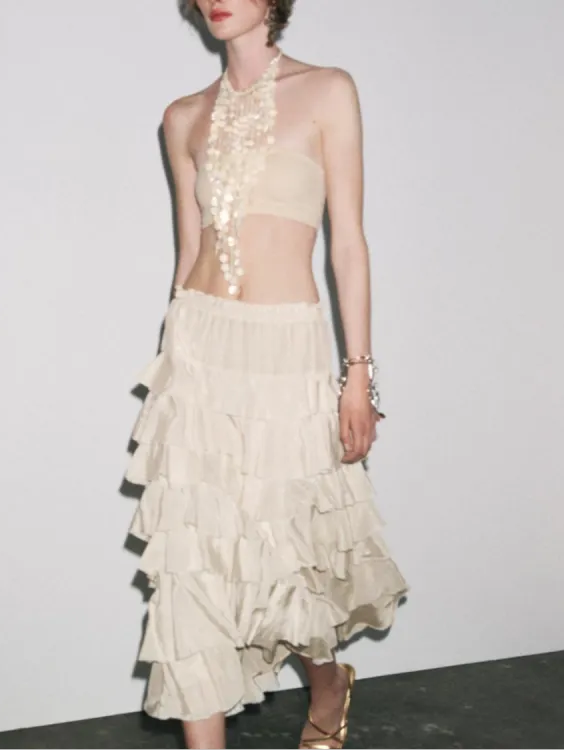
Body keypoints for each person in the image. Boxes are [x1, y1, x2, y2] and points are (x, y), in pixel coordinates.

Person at [124, 1, 409, 747]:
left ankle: (327, 678)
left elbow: (347, 243)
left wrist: (358, 375)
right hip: (200, 345)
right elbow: (188, 255)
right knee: (192, 561)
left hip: (285, 351)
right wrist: (173, 373)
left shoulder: (327, 91)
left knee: (288, 551)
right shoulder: (182, 117)